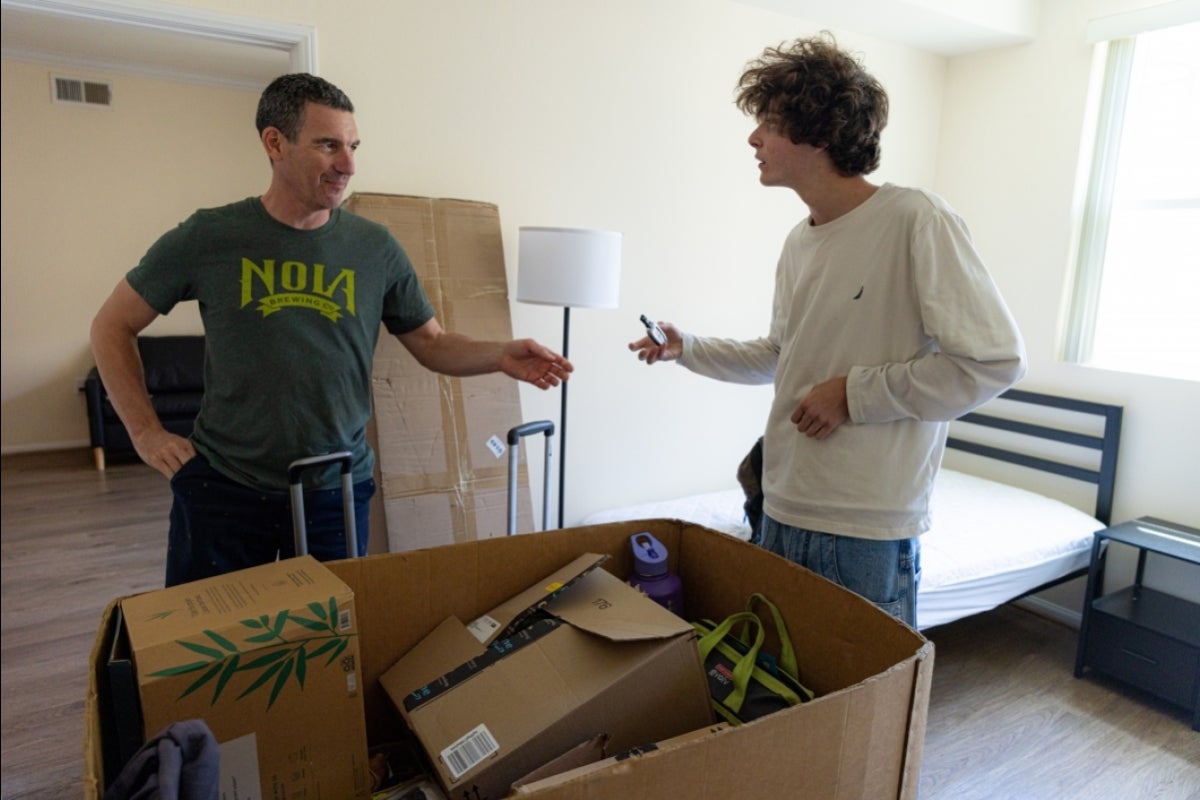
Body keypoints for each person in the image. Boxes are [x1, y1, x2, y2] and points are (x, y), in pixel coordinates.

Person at [91, 73, 572, 587]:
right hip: (225, 486)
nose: (349, 165)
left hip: (336, 489)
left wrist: (500, 355)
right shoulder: (211, 236)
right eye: (328, 145)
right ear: (274, 143)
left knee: (326, 644)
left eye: (353, 146)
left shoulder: (375, 249)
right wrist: (144, 432)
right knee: (213, 649)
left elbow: (432, 344)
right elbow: (112, 325)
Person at [629, 34, 1026, 628]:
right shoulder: (801, 239)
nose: (753, 138)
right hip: (782, 506)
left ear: (818, 134)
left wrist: (854, 394)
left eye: (768, 122)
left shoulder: (916, 220)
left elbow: (993, 362)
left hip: (862, 528)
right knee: (786, 696)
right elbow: (780, 356)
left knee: (860, 710)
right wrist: (689, 349)